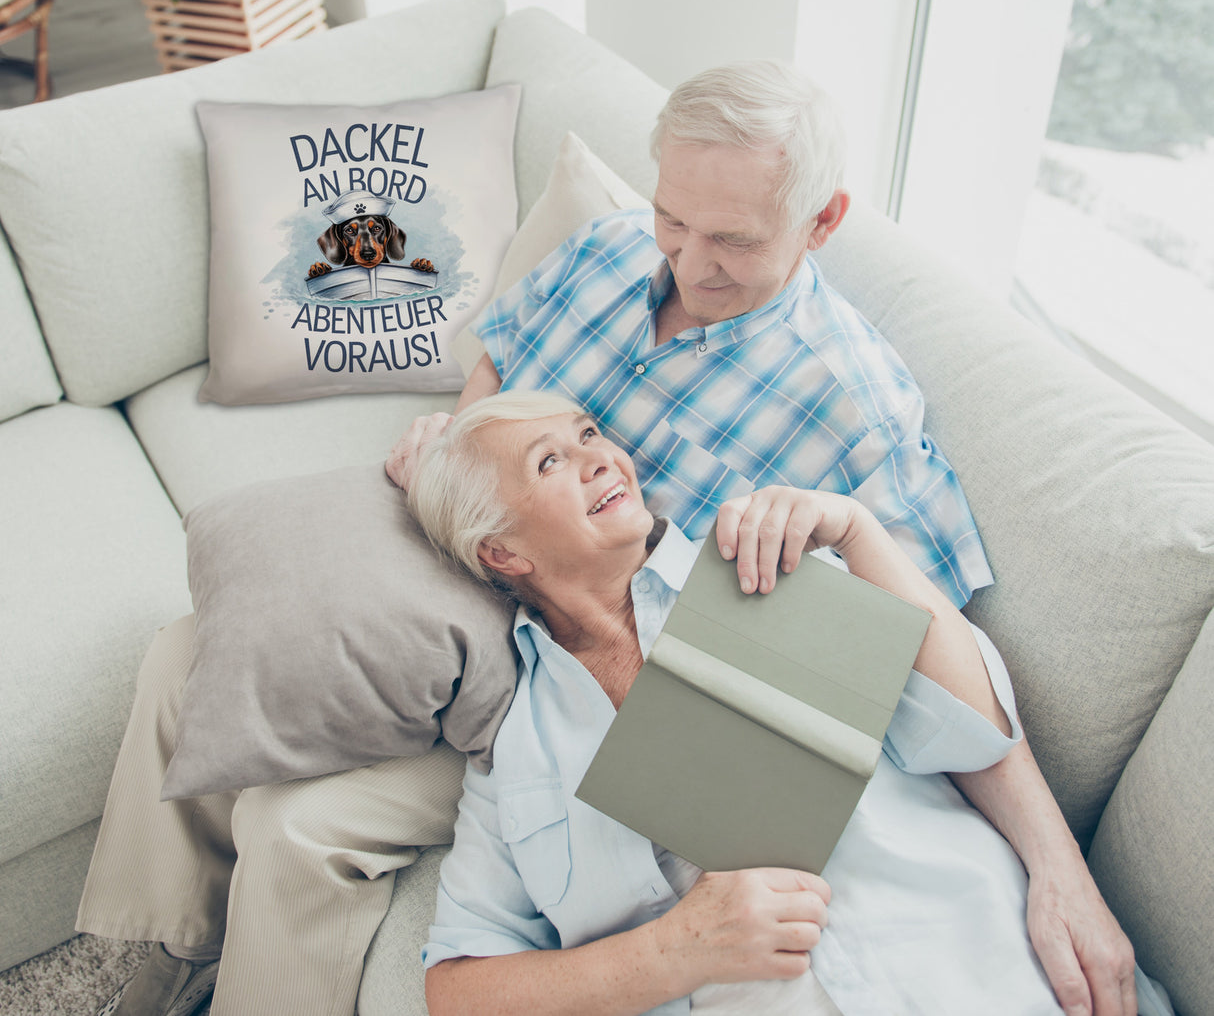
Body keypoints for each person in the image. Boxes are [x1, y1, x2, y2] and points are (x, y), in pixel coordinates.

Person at [79, 62, 1131, 1016]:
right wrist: (458, 444)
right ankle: (159, 952)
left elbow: (927, 658)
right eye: (674, 217)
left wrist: (1057, 865)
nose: (687, 259)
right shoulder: (609, 249)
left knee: (300, 826)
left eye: (732, 240)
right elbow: (499, 360)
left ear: (820, 222)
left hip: (578, 655)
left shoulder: (853, 409)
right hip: (488, 549)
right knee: (192, 648)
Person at [407, 391, 1160, 1016]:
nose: (601, 457)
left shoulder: (762, 564)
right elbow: (458, 990)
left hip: (985, 969)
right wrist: (674, 951)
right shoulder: (516, 754)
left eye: (589, 434)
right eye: (550, 461)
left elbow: (972, 731)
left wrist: (858, 532)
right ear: (502, 552)